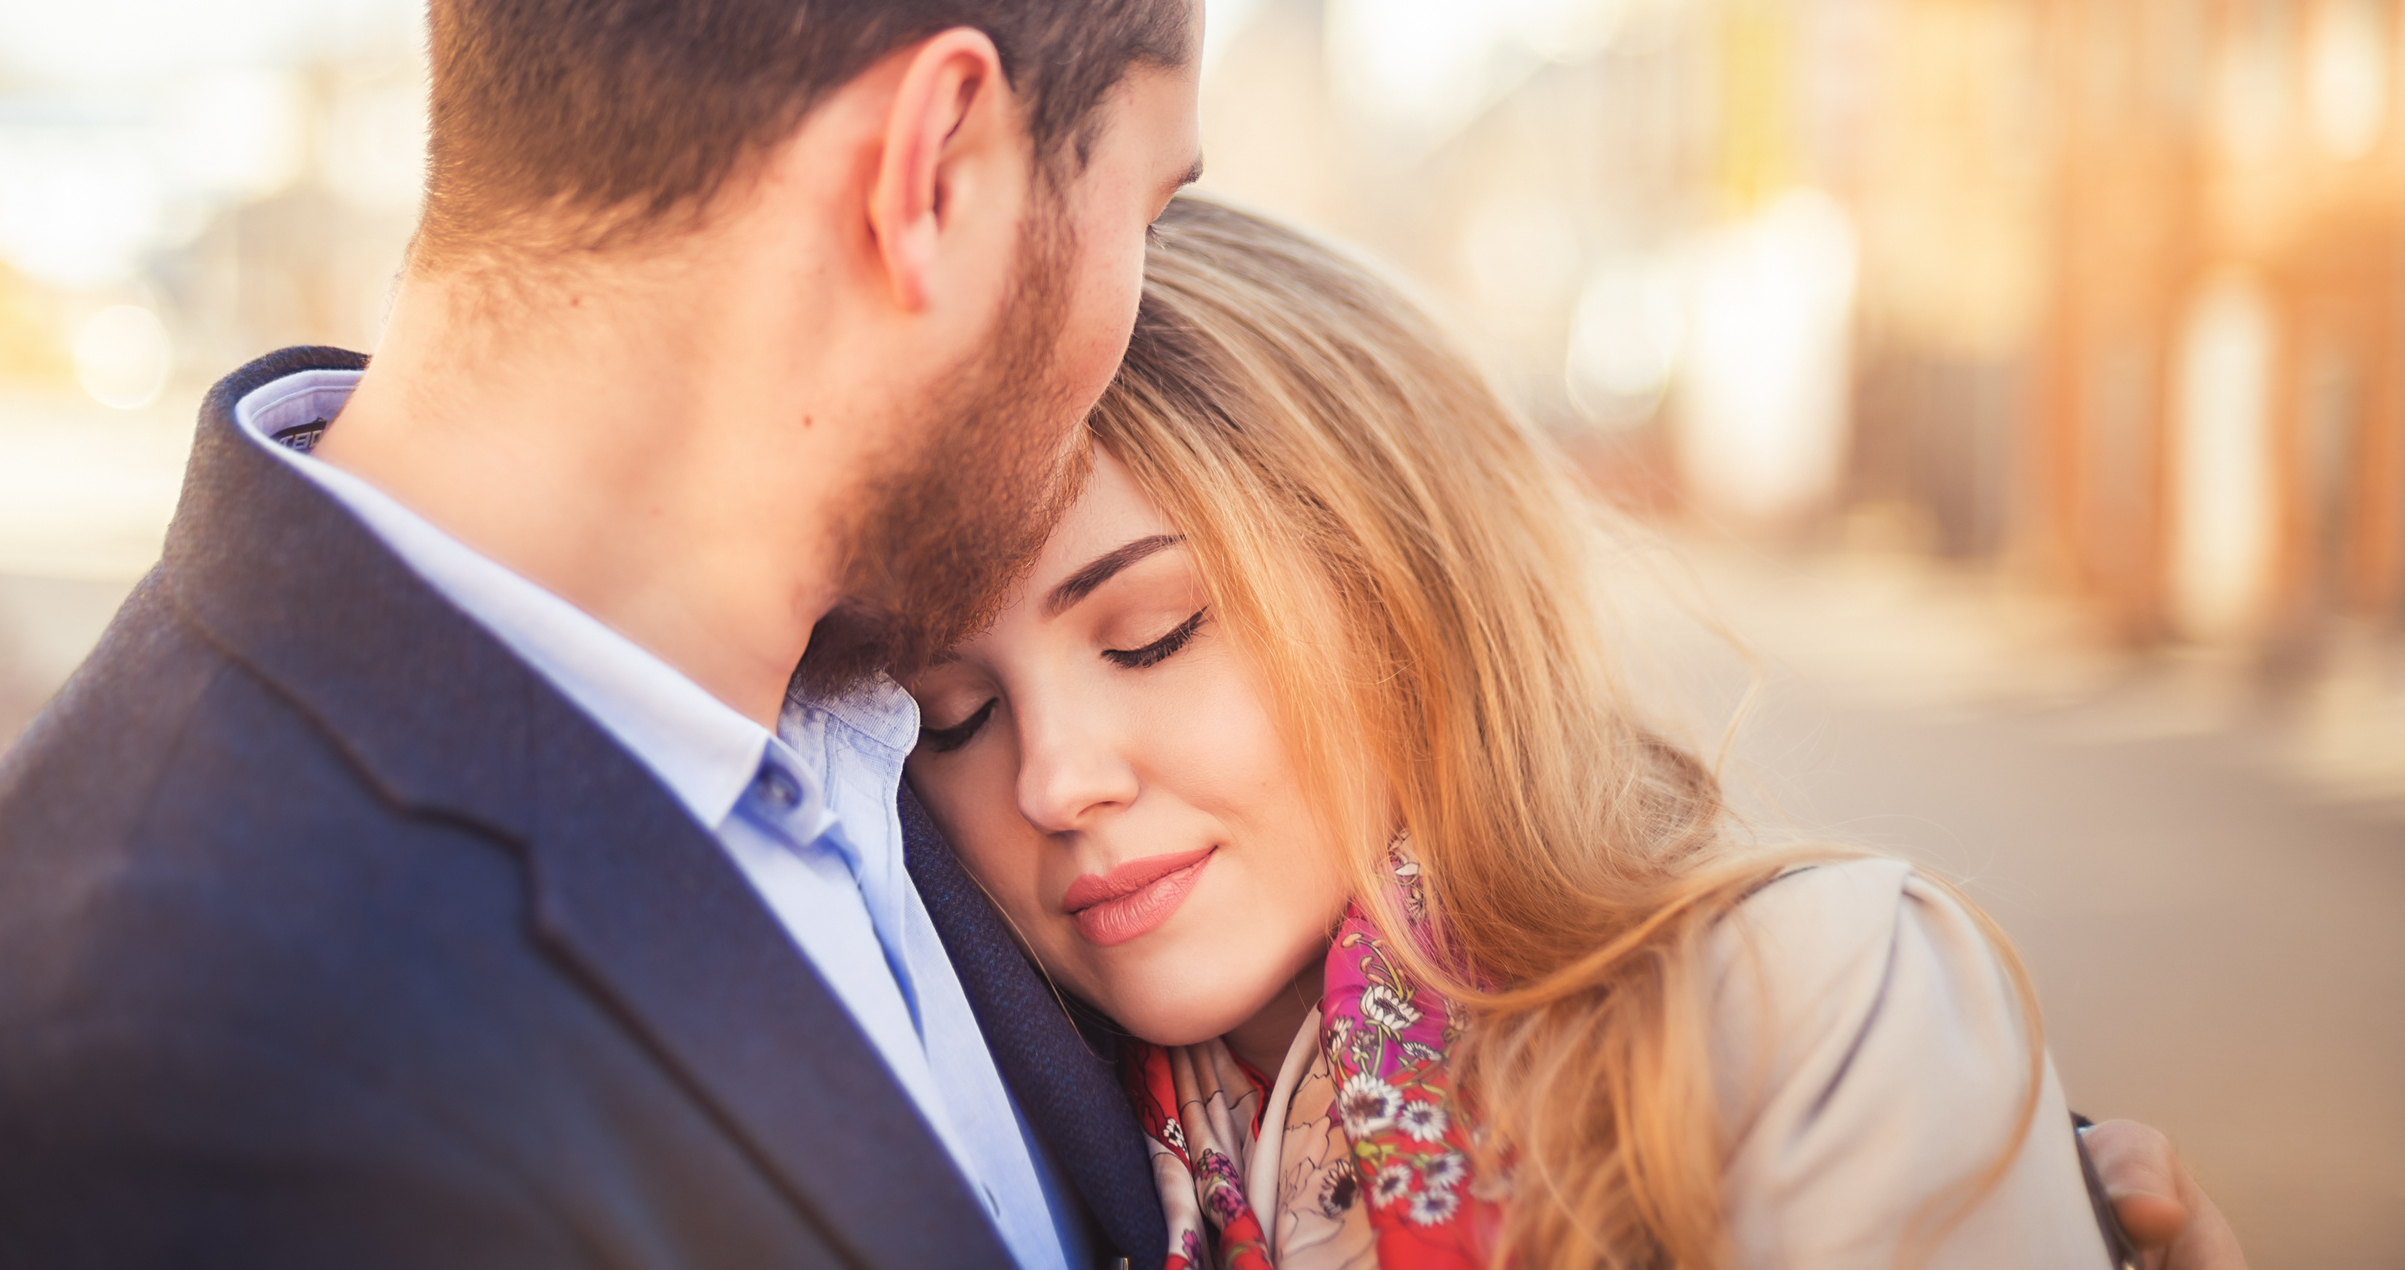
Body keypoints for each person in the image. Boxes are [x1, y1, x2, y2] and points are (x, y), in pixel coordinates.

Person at [0, 0, 1202, 1267]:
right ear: (932, 173)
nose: (1137, 312)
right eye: (1147, 211)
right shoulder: (183, 1076)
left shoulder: (873, 711)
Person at [904, 197, 2252, 1270]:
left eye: (1152, 635)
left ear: (1404, 588)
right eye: (954, 716)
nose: (1056, 779)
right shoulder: (1008, 1152)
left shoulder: (1799, 1001)